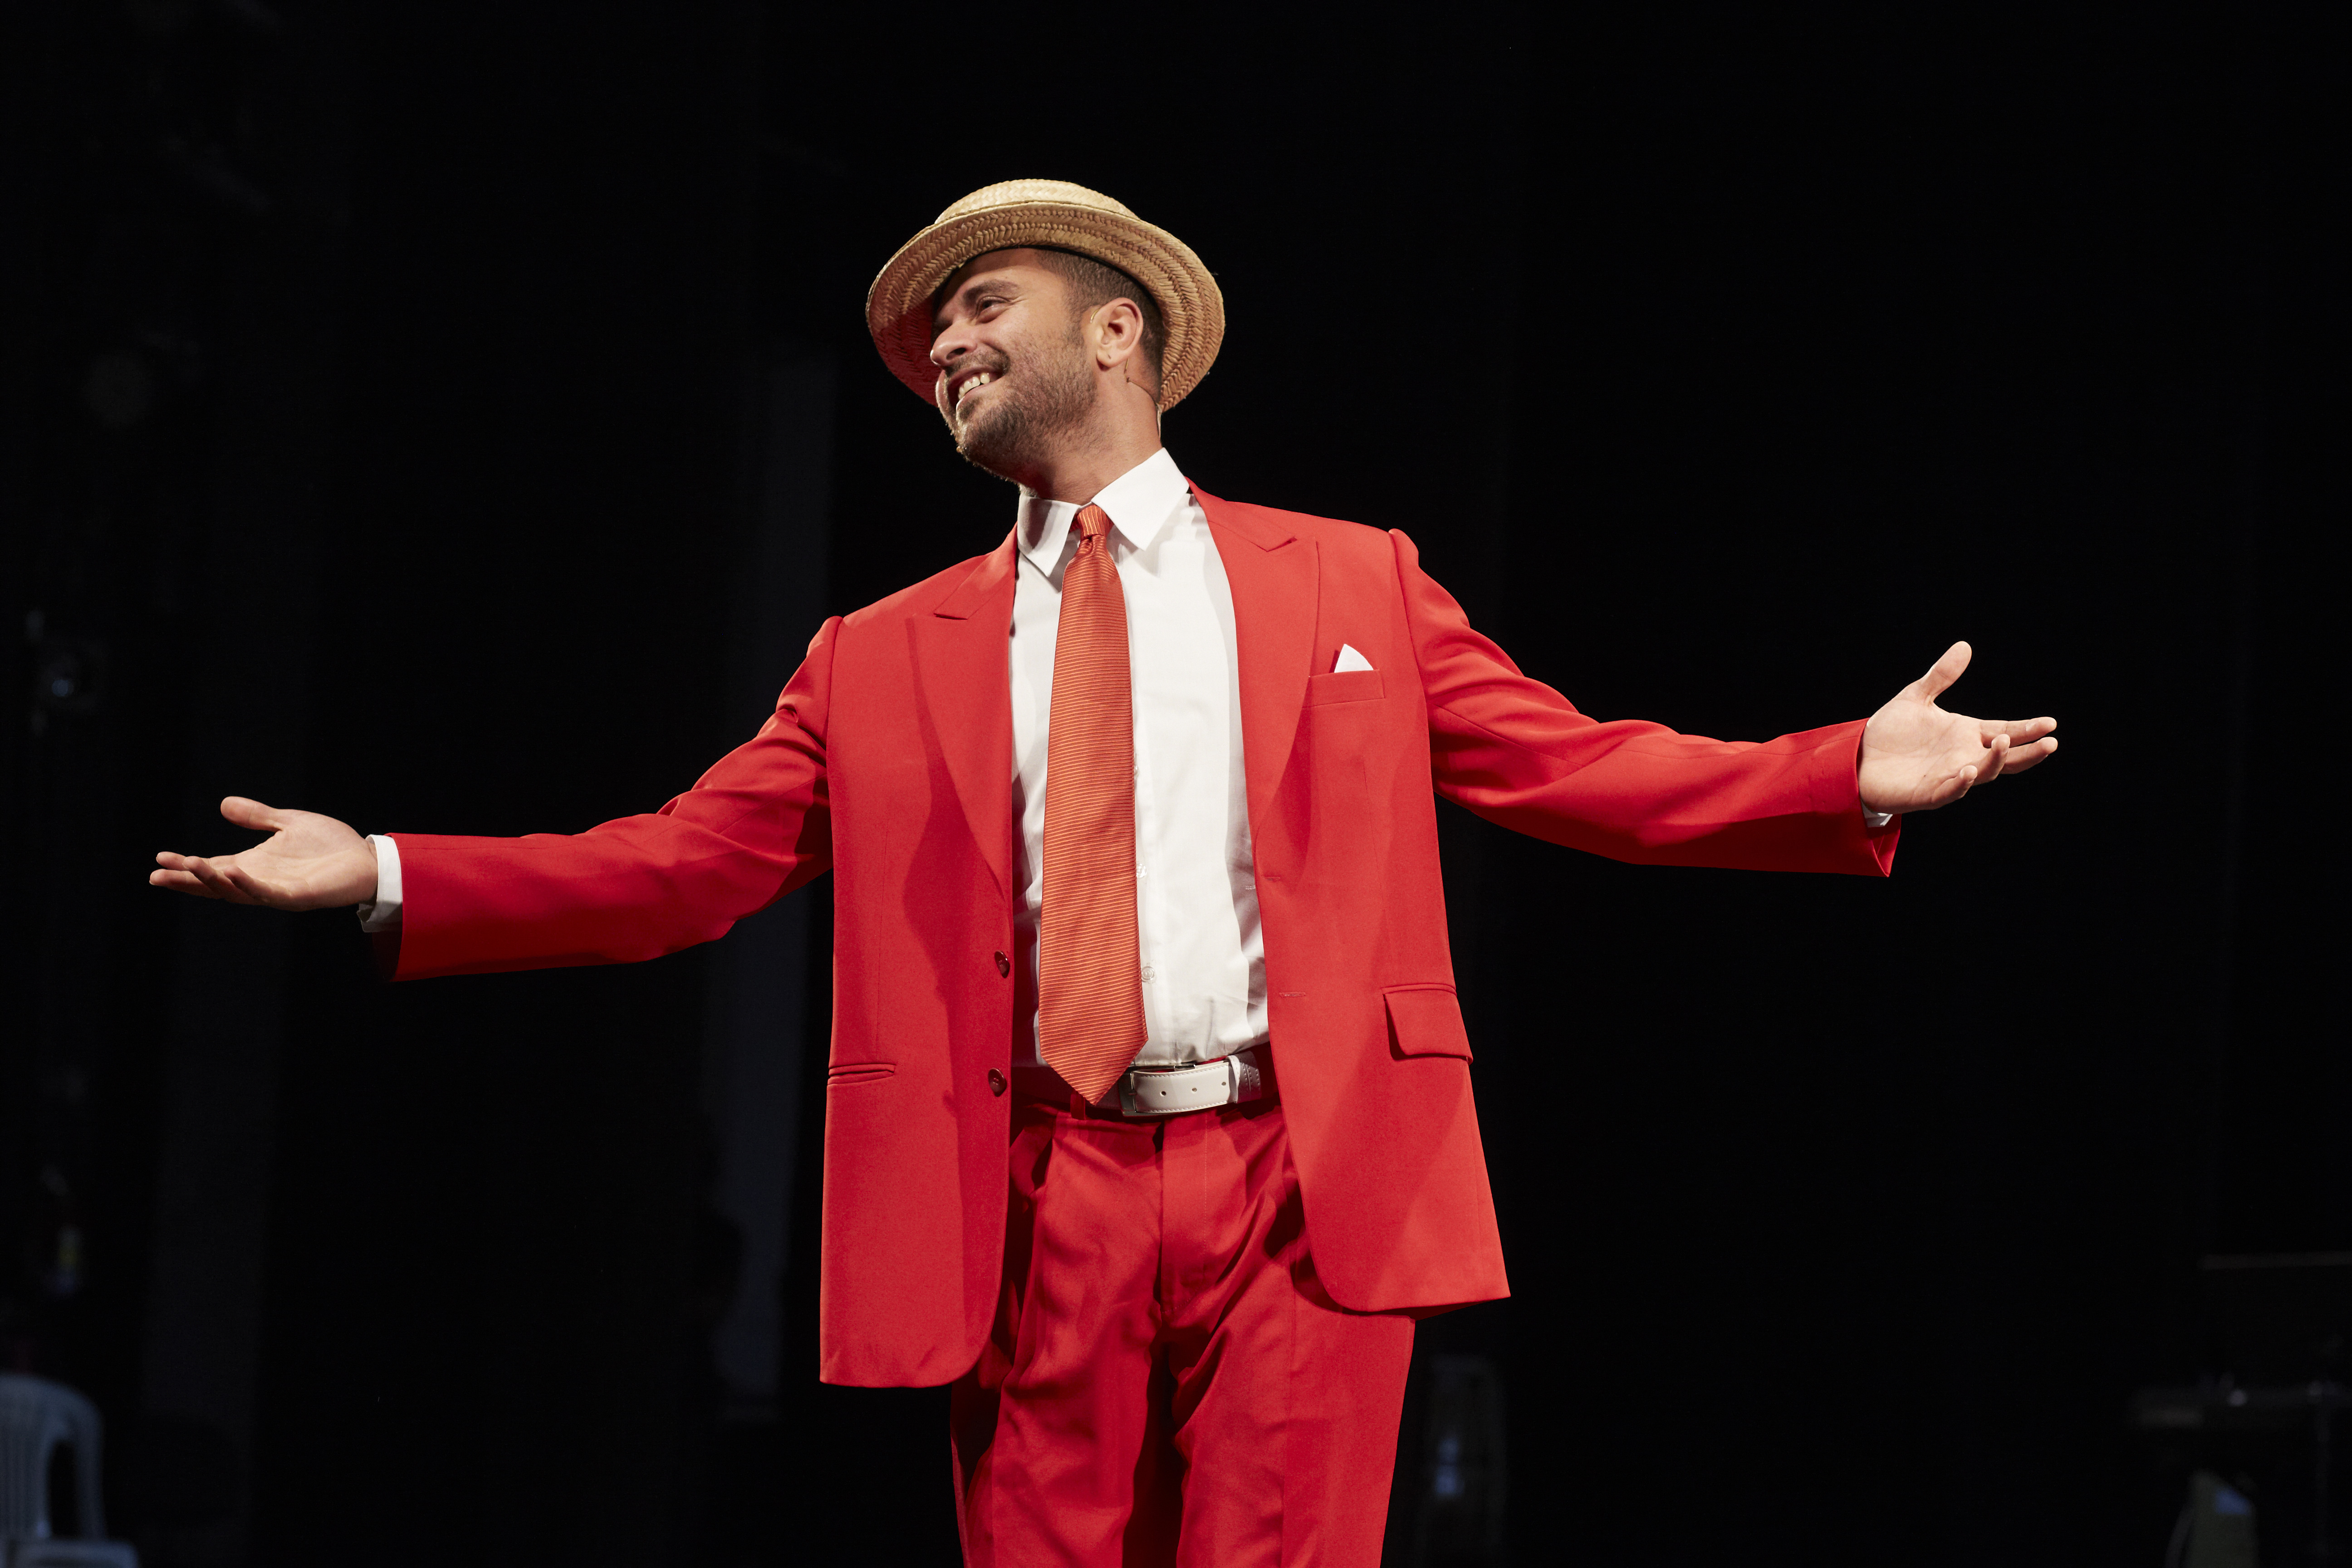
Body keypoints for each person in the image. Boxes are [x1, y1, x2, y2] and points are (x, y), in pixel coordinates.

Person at [150, 179, 2058, 1565]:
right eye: (928, 339)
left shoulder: (1351, 578)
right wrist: (385, 869)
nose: (945, 350)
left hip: (1301, 1178)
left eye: (982, 306)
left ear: (1118, 330)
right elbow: (680, 866)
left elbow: (1572, 766)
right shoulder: (879, 650)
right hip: (1034, 1191)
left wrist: (1837, 767)